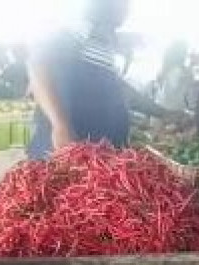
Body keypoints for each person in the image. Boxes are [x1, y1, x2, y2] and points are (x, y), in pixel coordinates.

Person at [26, 0, 175, 159]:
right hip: (69, 151)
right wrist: (60, 125)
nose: (128, 9)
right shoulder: (79, 27)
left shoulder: (102, 39)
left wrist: (163, 113)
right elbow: (39, 65)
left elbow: (118, 90)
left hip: (97, 154)